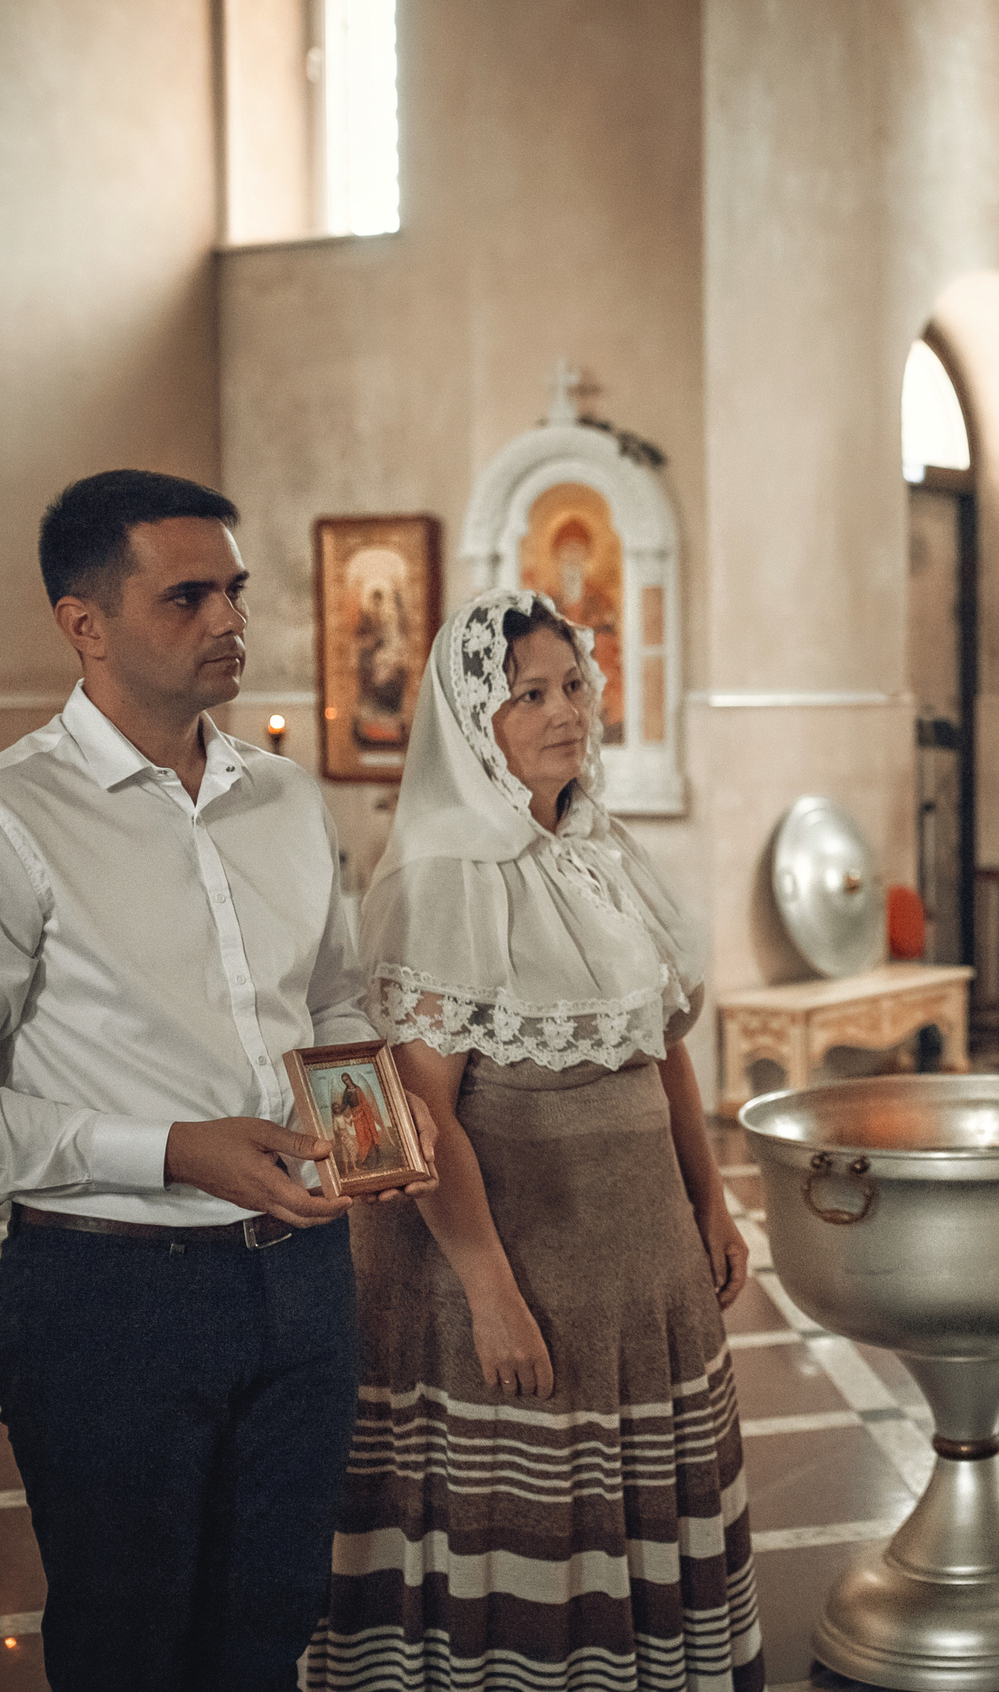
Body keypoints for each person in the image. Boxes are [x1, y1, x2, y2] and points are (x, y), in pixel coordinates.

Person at [0, 469, 439, 1691]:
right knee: (130, 1649)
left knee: (267, 1634)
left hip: (303, 1284)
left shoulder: (285, 798)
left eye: (236, 592)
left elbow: (327, 997)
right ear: (83, 623)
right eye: (188, 596)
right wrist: (169, 1148)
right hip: (110, 1299)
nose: (230, 622)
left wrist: (364, 1114)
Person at [305, 589, 761, 1691]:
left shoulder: (606, 854)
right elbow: (413, 1119)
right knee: (532, 1531)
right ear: (474, 724)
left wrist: (710, 1200)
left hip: (641, 1263)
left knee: (647, 1513)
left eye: (574, 687)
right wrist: (490, 1291)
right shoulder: (441, 880)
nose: (565, 713)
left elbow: (663, 1045)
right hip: (513, 1276)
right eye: (528, 696)